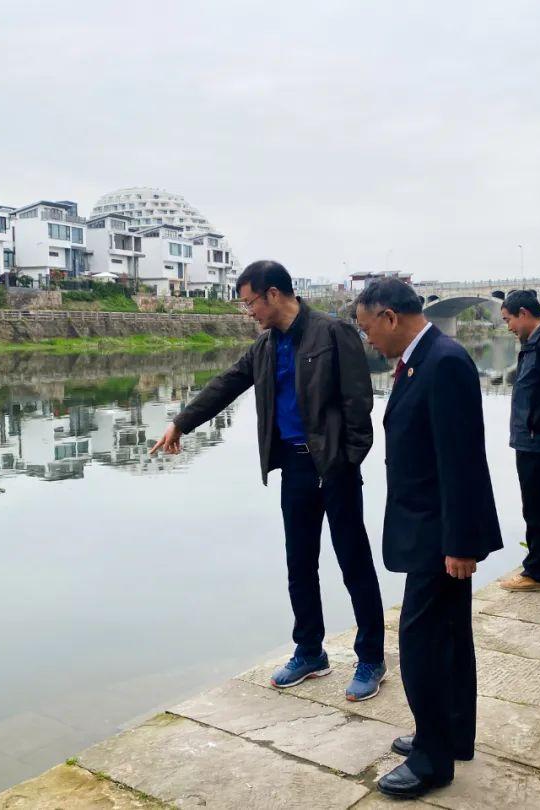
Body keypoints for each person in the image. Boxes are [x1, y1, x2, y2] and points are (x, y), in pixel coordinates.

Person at [151, 260, 388, 701]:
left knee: (353, 560)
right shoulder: (265, 347)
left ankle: (371, 657)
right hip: (294, 468)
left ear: (274, 294)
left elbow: (359, 402)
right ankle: (310, 650)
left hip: (333, 466)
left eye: (250, 303)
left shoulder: (332, 333)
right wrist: (182, 423)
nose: (249, 313)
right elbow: (226, 384)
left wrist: (348, 460)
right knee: (300, 563)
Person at [354, 278, 502, 799]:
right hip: (430, 527)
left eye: (367, 326)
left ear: (390, 317)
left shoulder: (443, 362)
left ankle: (432, 759)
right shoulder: (423, 359)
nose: (368, 337)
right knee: (449, 637)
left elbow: (461, 460)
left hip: (440, 533)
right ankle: (452, 733)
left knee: (423, 643)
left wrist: (460, 543)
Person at [498, 290, 540, 591]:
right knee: (536, 506)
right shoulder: (534, 343)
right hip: (530, 439)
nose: (508, 327)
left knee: (538, 506)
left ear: (524, 313)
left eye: (508, 320)